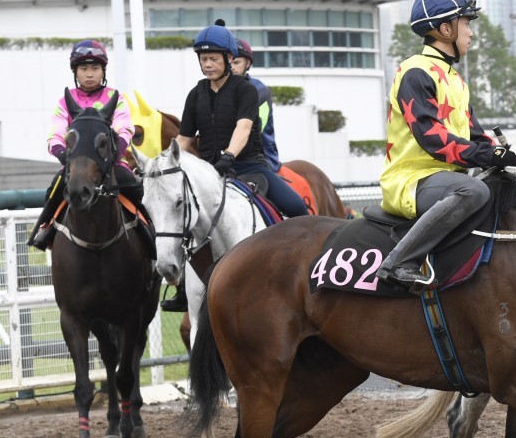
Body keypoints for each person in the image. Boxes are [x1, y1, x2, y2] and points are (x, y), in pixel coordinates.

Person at [376, 0, 516, 292]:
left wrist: (506, 156)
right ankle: (398, 262)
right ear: (445, 29)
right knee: (473, 191)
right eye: (466, 24)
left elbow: (475, 135)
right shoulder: (414, 72)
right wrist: (488, 155)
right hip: (411, 181)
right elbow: (434, 139)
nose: (471, 33)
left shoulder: (456, 80)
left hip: (443, 180)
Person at [163, 20, 310, 311]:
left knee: (296, 207)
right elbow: (183, 138)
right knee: (179, 221)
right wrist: (165, 160)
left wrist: (229, 155)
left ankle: (304, 272)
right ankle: (183, 288)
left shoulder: (245, 90)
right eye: (203, 59)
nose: (207, 65)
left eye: (213, 59)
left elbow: (244, 128)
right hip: (209, 173)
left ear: (230, 59)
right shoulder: (195, 94)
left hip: (249, 168)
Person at [29, 39, 144, 251]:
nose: (89, 74)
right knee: (54, 189)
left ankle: (151, 233)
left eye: (95, 68)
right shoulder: (65, 101)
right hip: (75, 166)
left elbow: (124, 129)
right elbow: (55, 133)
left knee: (137, 188)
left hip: (112, 166)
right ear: (75, 72)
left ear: (103, 71)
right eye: (84, 68)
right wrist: (63, 155)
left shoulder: (115, 98)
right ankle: (44, 230)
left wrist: (114, 153)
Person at [231, 39, 281, 172]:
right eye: (228, 62)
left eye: (236, 62)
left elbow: (254, 130)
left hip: (260, 157)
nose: (232, 67)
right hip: (229, 156)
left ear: (247, 64)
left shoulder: (259, 90)